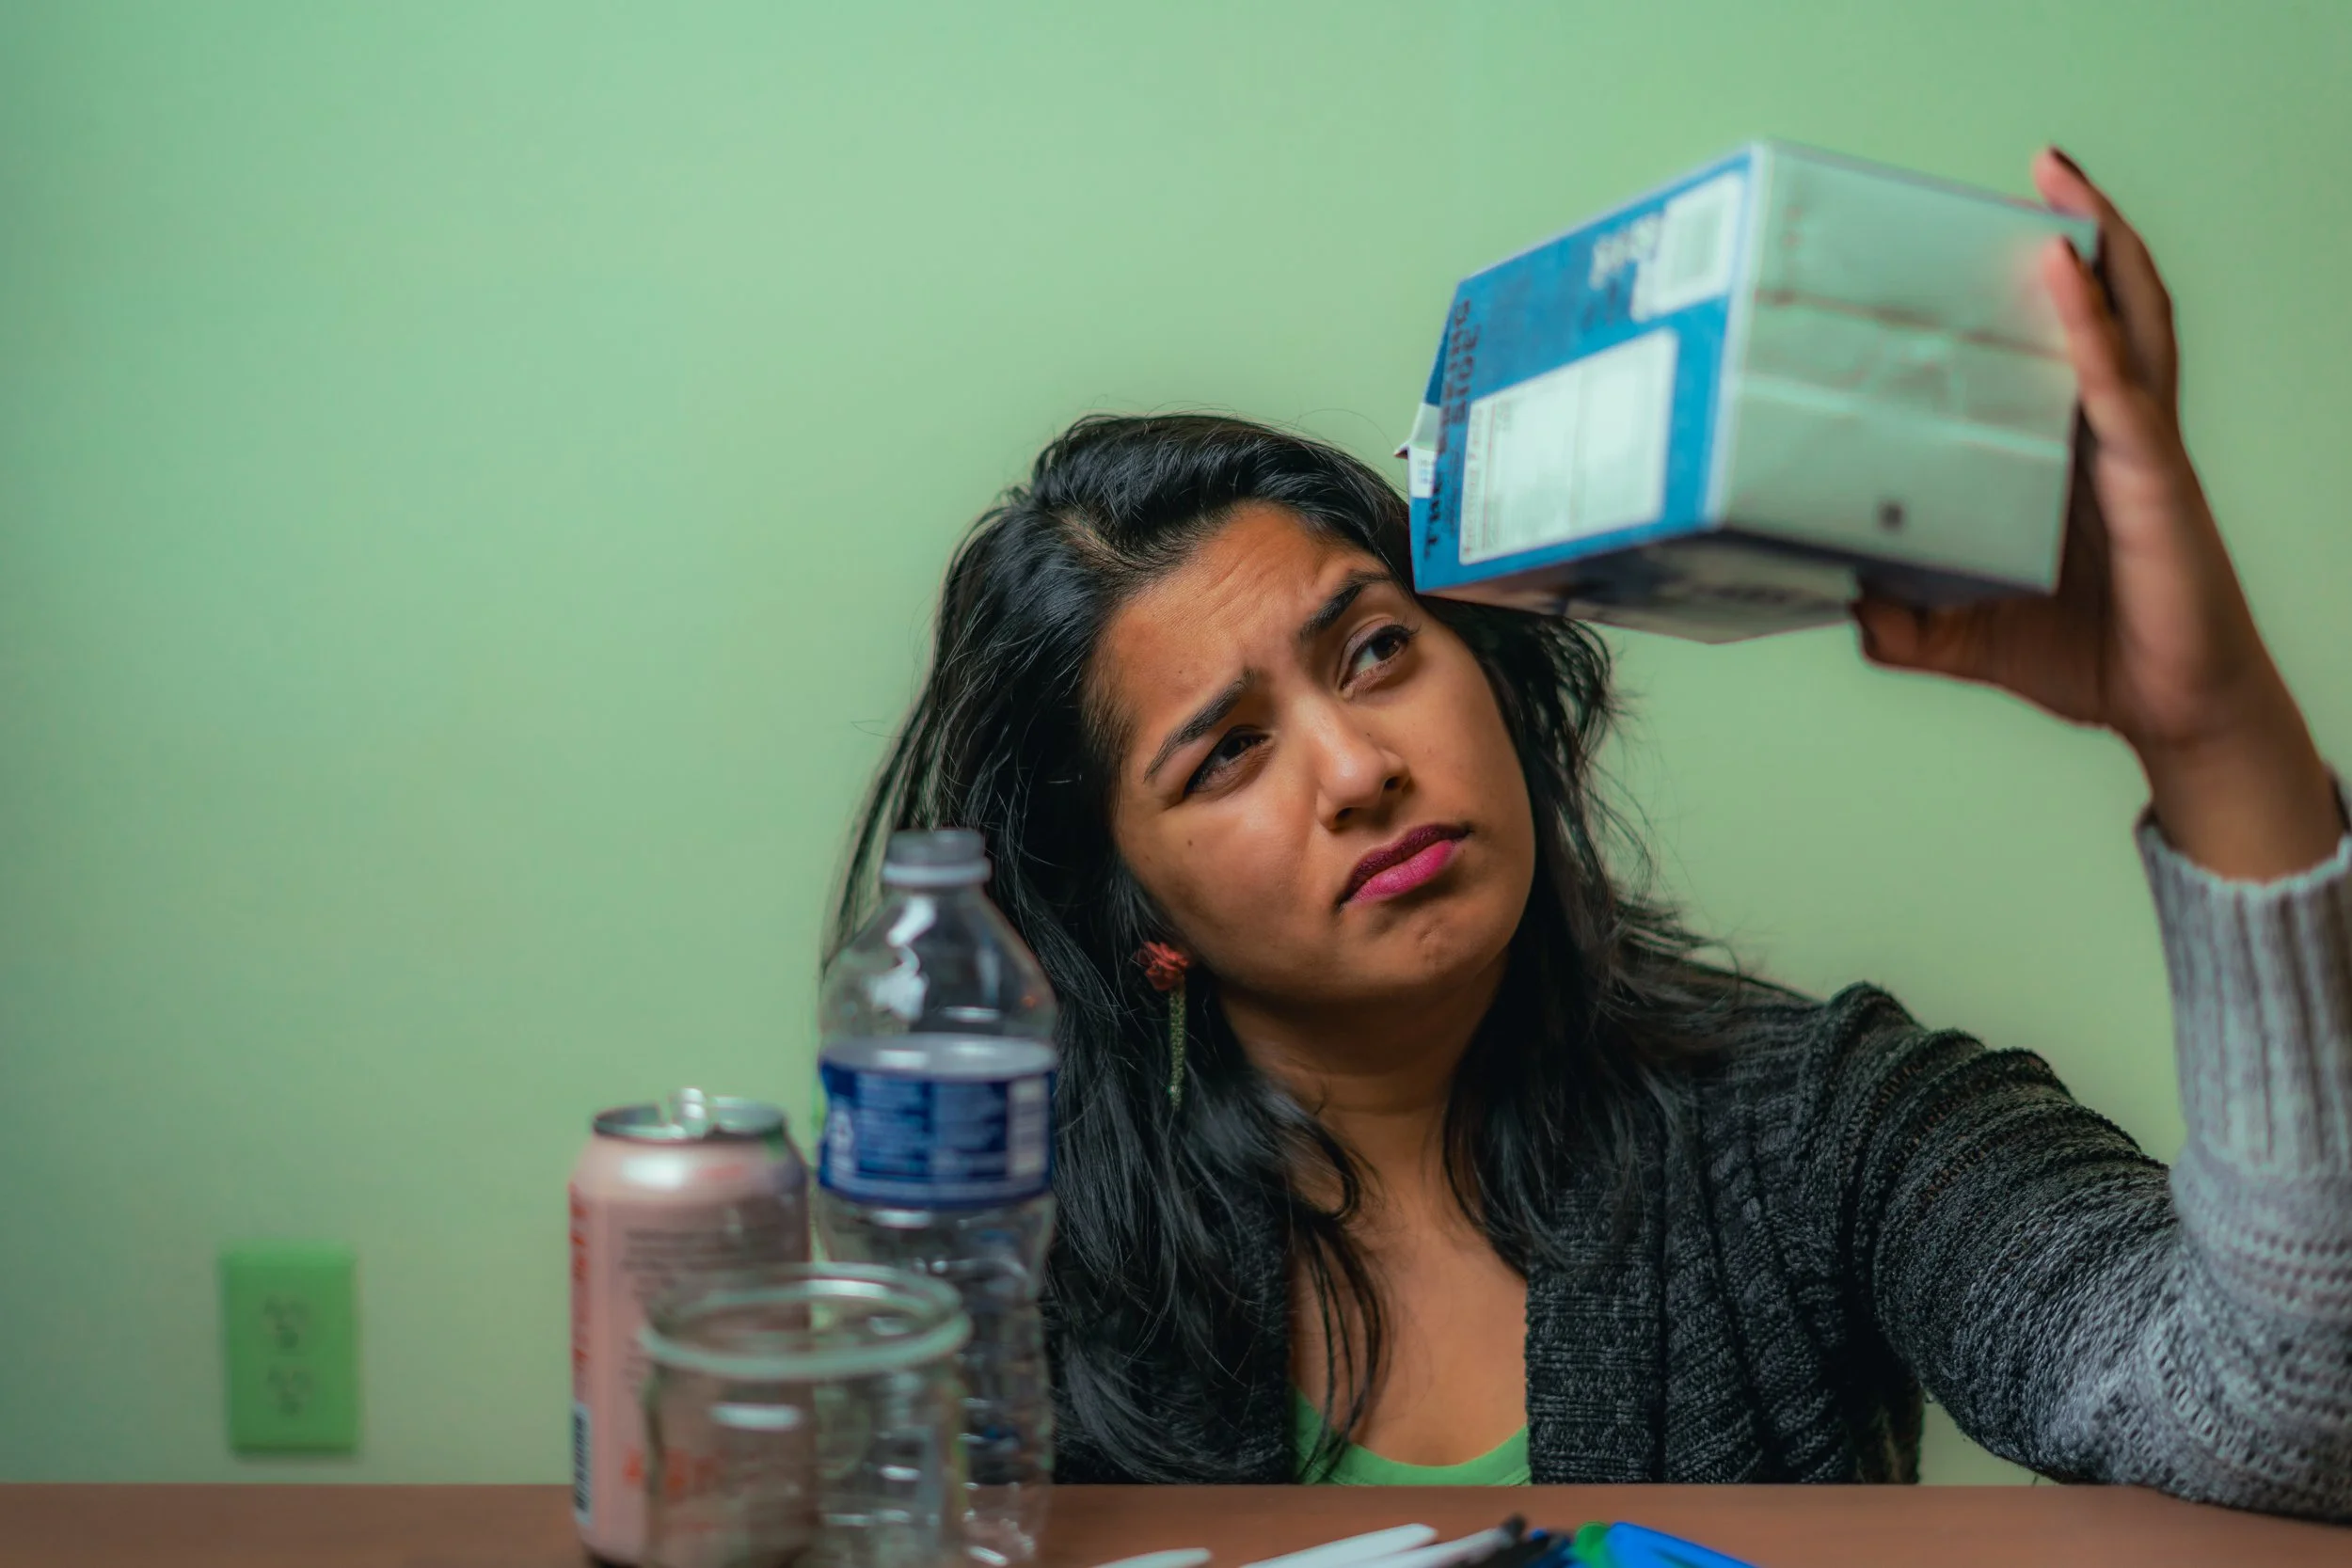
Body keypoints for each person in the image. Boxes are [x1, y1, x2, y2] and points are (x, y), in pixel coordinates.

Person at [831, 150, 2352, 1514]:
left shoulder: (1822, 1128)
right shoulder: (1017, 1274)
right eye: (1228, 754)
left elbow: (2290, 1414)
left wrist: (2208, 728)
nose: (1358, 767)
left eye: (1375, 650)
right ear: (1137, 919)